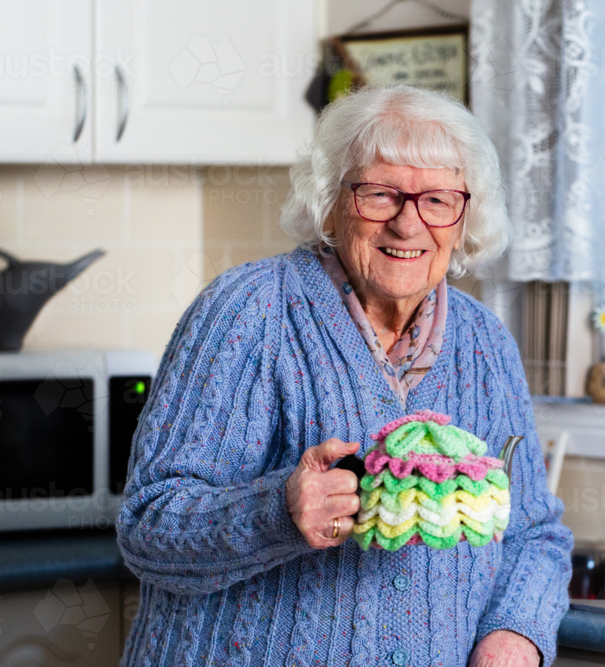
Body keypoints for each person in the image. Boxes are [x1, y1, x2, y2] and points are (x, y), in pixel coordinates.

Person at [117, 86, 572, 667]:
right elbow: (147, 526)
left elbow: (533, 534)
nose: (409, 225)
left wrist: (515, 635)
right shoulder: (248, 313)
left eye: (437, 199)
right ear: (329, 203)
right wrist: (277, 512)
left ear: (465, 216)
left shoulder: (487, 344)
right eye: (380, 195)